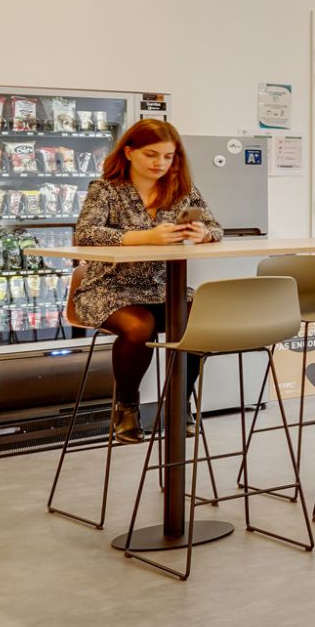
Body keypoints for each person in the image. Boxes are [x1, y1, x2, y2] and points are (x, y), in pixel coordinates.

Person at [70, 118, 221, 442]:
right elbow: (84, 234)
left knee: (202, 320)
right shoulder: (106, 190)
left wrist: (203, 233)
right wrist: (143, 237)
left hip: (163, 288)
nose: (160, 163)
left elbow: (216, 228)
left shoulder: (183, 190)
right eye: (151, 155)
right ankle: (126, 408)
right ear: (128, 152)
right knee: (140, 326)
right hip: (106, 288)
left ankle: (179, 403)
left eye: (168, 156)